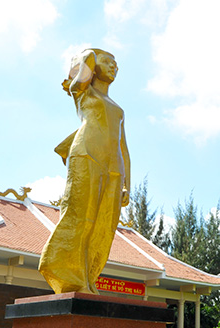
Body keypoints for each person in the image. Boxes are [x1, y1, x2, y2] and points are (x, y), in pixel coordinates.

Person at [38, 48, 130, 294]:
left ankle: (87, 279)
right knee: (81, 216)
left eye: (116, 63)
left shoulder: (118, 109)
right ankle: (62, 270)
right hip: (87, 154)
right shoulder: (83, 92)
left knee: (103, 226)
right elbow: (81, 71)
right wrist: (90, 53)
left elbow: (124, 147)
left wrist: (126, 184)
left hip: (114, 167)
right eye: (108, 61)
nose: (114, 67)